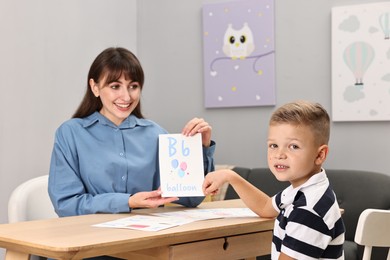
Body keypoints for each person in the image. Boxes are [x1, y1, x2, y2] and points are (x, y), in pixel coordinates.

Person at [48, 47, 216, 219]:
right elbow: (66, 204)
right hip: (91, 235)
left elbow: (192, 199)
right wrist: (128, 202)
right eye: (115, 86)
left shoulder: (156, 134)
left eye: (133, 86)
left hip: (146, 234)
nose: (126, 97)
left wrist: (201, 147)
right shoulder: (70, 134)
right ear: (95, 87)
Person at [203, 100, 345, 260]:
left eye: (293, 146)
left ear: (320, 155)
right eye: (273, 145)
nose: (279, 154)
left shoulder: (308, 211)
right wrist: (230, 176)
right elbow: (265, 207)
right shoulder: (302, 191)